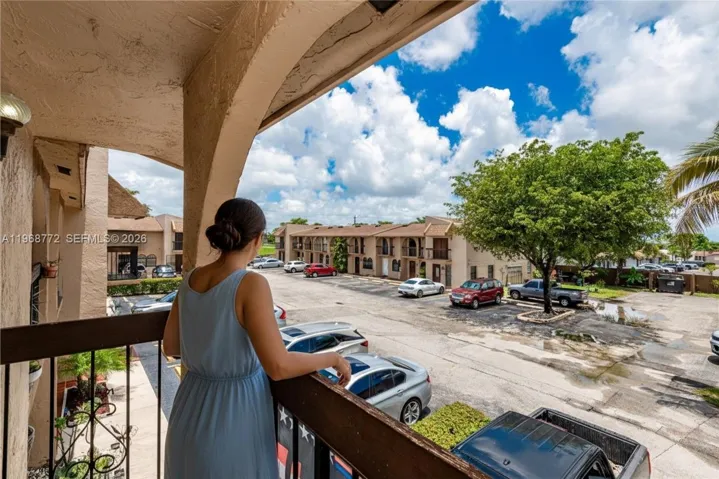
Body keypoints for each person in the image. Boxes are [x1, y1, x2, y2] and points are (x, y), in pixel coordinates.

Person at [162, 198, 351, 479]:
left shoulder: (189, 280)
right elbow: (278, 366)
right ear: (258, 239)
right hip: (232, 419)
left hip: (188, 411)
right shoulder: (250, 283)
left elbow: (171, 346)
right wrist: (333, 358)